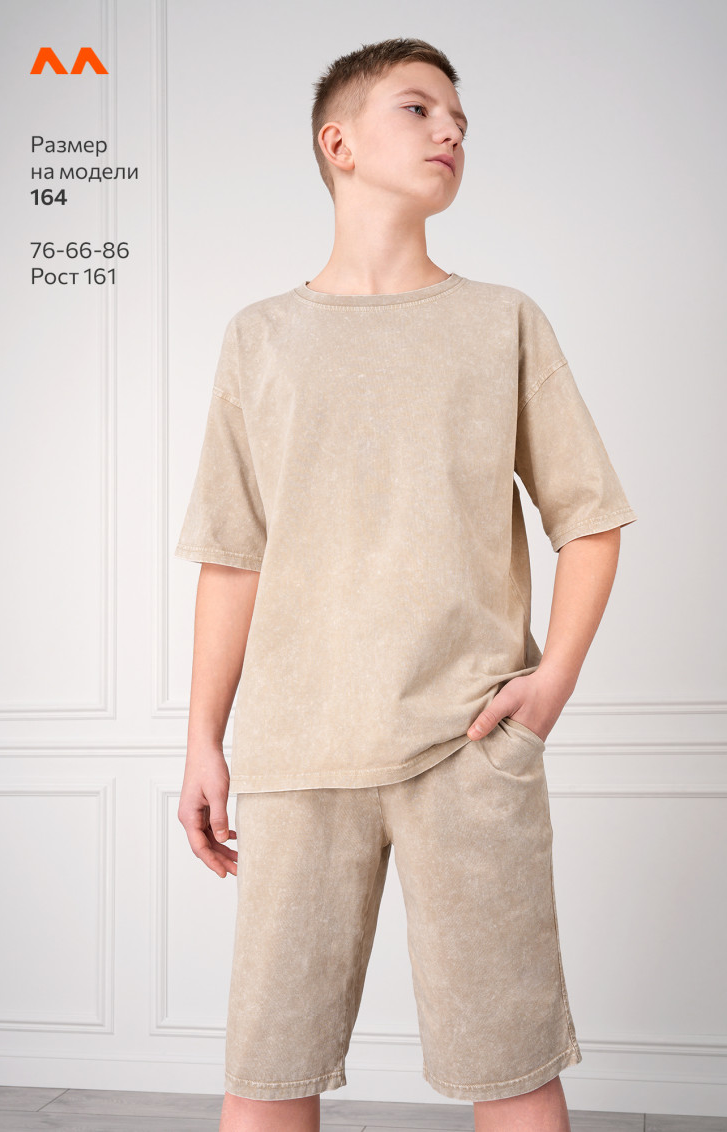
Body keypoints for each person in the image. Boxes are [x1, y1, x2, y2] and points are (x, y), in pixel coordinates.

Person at [174, 37, 638, 1132]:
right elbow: (233, 554)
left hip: (467, 746)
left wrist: (551, 685)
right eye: (420, 108)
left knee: (511, 1065)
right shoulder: (261, 338)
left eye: (460, 119)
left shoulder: (501, 321)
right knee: (268, 1068)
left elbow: (591, 518)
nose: (451, 130)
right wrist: (203, 739)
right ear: (337, 144)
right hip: (297, 751)